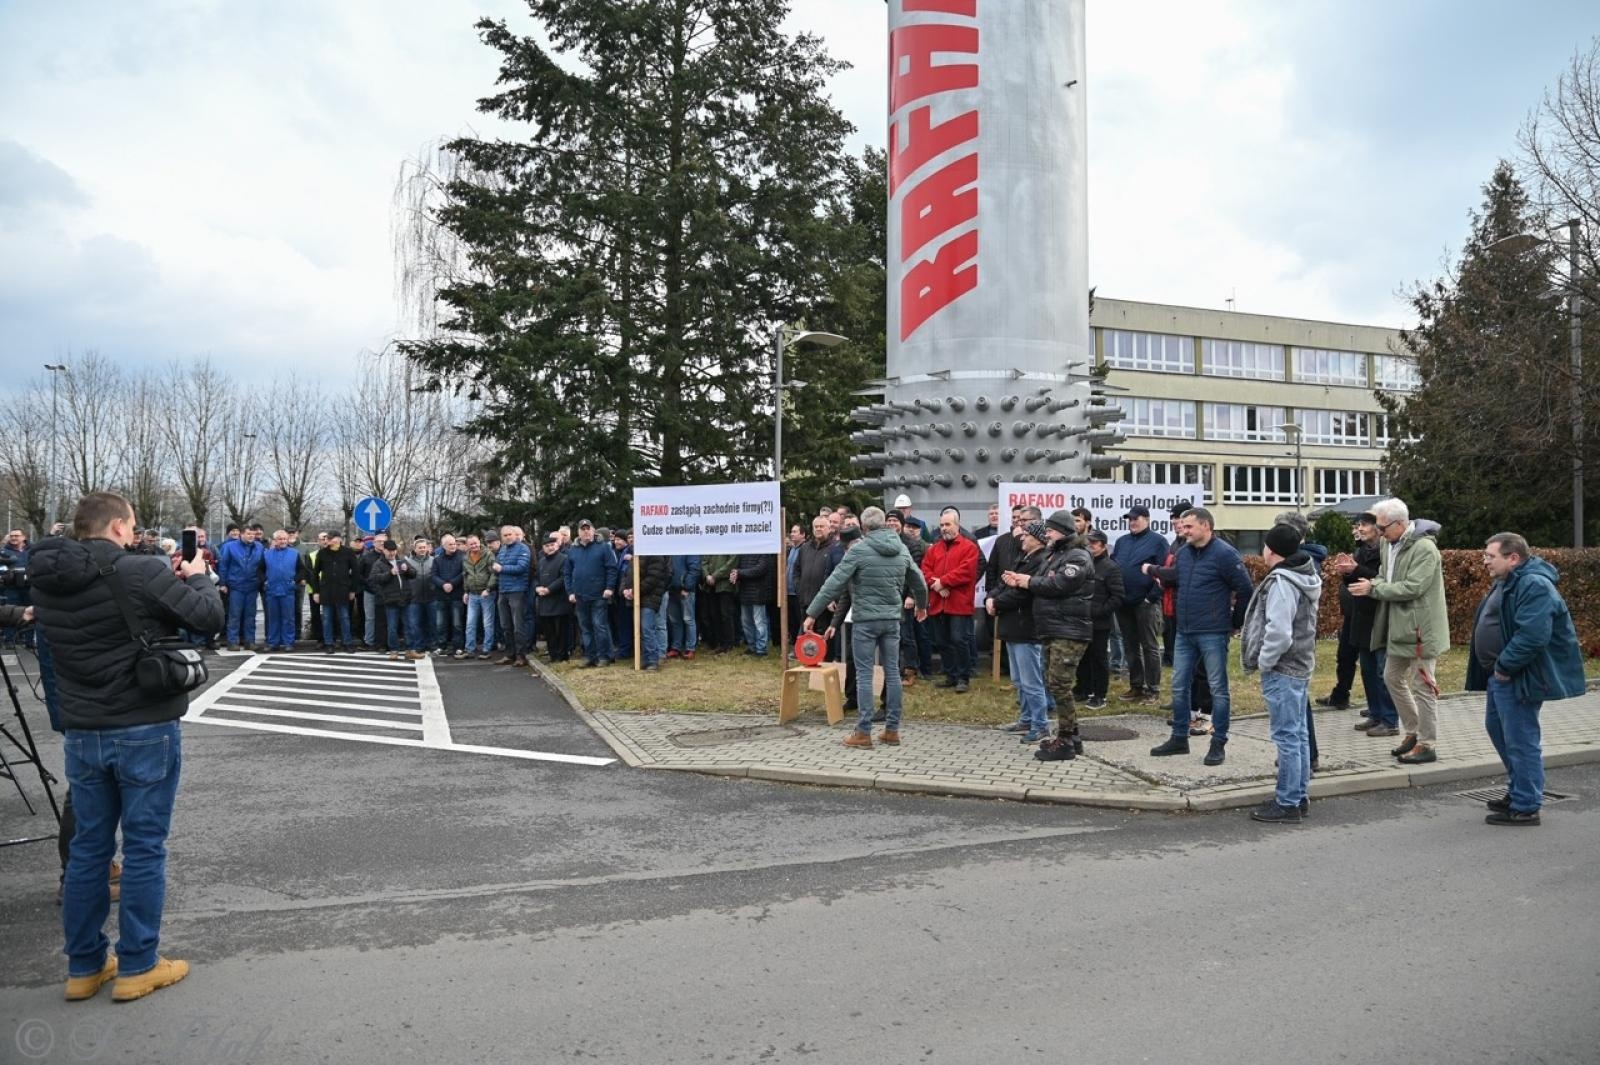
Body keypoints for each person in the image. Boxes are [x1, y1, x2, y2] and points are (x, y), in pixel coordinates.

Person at [29, 491, 223, 1002]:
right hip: (143, 725)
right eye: (131, 526)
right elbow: (206, 617)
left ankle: (84, 967)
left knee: (89, 849)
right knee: (143, 848)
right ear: (117, 527)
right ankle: (138, 964)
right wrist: (198, 573)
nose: (134, 535)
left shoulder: (45, 579)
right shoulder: (137, 571)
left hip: (83, 728)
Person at [1465, 533, 1588, 826]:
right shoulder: (1508, 581)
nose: (1484, 562)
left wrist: (1504, 666)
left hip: (1518, 676)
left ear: (1513, 558)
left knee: (1520, 739)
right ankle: (1519, 790)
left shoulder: (1534, 584)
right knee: (1499, 730)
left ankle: (1526, 805)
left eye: (1489, 556)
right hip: (1501, 676)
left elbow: (1533, 635)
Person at [804, 506, 929, 749]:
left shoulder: (859, 550)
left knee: (864, 674)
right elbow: (919, 581)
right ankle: (892, 730)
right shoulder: (901, 549)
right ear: (883, 524)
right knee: (893, 673)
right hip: (892, 620)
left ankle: (863, 732)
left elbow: (834, 583)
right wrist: (922, 606)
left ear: (863, 527)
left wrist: (812, 613)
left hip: (865, 622)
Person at [1143, 507, 1255, 766]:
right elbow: (1177, 581)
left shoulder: (1225, 554)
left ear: (1206, 526)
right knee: (1179, 687)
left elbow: (1245, 589)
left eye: (1189, 526)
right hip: (1185, 630)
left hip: (1213, 632)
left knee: (1218, 689)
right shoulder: (1183, 554)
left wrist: (1234, 623)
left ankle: (1218, 743)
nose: (1184, 530)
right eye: (1183, 526)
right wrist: (1153, 572)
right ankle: (1179, 738)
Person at [1349, 497, 1450, 765]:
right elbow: (1384, 575)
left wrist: (1374, 589)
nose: (1379, 533)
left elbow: (1413, 587)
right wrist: (1374, 582)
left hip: (1421, 629)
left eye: (1383, 528)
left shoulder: (1425, 549)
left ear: (1401, 523)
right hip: (1399, 625)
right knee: (1391, 676)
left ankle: (1428, 744)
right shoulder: (1387, 544)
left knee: (1423, 686)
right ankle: (1413, 732)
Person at [1241, 523, 1323, 823]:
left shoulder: (1282, 582)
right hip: (1300, 664)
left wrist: (1264, 661)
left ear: (1271, 550)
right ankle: (1297, 796)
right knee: (1298, 734)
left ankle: (1287, 802)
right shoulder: (1304, 574)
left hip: (1283, 667)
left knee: (1287, 736)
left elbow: (1279, 630)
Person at [1003, 511, 1094, 761]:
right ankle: (1071, 737)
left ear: (1063, 531)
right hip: (1054, 629)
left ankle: (1065, 740)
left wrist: (1028, 582)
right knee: (1055, 683)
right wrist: (1026, 580)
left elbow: (1060, 585)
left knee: (1059, 686)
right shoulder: (1056, 554)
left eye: (1051, 530)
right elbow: (1045, 580)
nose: (1048, 534)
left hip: (1070, 630)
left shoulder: (1077, 555)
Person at [1334, 513, 1400, 736]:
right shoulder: (1361, 551)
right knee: (1368, 670)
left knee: (1383, 672)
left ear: (1377, 528)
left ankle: (1389, 719)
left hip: (1379, 617)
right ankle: (1375, 713)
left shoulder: (1388, 551)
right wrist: (1346, 572)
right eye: (1357, 525)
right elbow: (1357, 580)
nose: (1358, 529)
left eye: (1363, 525)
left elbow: (1383, 581)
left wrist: (1356, 570)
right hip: (1360, 616)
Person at [988, 520, 1052, 743]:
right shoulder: (1023, 559)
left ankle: (1041, 724)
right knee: (1019, 680)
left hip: (1027, 628)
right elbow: (1006, 583)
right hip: (1013, 627)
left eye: (1026, 535)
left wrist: (996, 603)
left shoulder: (1041, 561)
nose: (1021, 538)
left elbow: (1023, 595)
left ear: (1038, 539)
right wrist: (992, 596)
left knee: (1032, 681)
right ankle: (1026, 719)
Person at [1111, 505, 1166, 704]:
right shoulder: (1122, 541)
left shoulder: (1158, 541)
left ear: (1147, 519)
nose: (1132, 522)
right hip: (1123, 602)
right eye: (1130, 519)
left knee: (1149, 646)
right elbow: (1114, 566)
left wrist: (1151, 597)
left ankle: (1153, 689)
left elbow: (1163, 571)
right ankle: (1136, 686)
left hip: (1145, 603)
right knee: (1130, 645)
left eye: (1136, 518)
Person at [921, 508, 980, 692]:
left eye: (948, 524)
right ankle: (950, 675)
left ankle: (963, 677)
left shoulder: (969, 547)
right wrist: (936, 584)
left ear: (957, 525)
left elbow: (966, 571)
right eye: (941, 525)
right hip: (938, 603)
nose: (944, 528)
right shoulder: (934, 548)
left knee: (959, 639)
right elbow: (924, 570)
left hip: (959, 603)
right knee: (942, 641)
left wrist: (943, 582)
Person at [1073, 529, 1124, 710]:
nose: (1090, 546)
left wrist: (1101, 611)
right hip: (1080, 620)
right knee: (1081, 657)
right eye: (1088, 543)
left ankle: (1099, 694)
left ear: (1103, 545)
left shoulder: (1111, 567)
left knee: (1099, 658)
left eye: (1094, 543)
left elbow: (1117, 596)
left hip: (1099, 622)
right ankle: (1082, 689)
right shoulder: (1082, 563)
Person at [565, 520, 618, 667]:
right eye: (583, 530)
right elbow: (567, 573)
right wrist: (570, 591)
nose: (586, 532)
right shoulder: (573, 550)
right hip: (580, 595)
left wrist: (609, 588)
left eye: (588, 529)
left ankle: (604, 656)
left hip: (599, 594)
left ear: (594, 531)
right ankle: (590, 656)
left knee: (599, 625)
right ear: (578, 532)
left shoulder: (603, 548)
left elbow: (611, 569)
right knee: (585, 627)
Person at [793, 516, 842, 659]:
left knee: (824, 635)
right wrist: (799, 587)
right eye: (816, 526)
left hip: (825, 602)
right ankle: (809, 660)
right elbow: (796, 570)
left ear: (829, 529)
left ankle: (826, 661)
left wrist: (832, 596)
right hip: (805, 599)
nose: (819, 529)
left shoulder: (835, 548)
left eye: (822, 526)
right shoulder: (805, 548)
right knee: (807, 633)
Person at [260, 529, 307, 653]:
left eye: (284, 539)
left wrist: (294, 581)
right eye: (280, 539)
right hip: (272, 590)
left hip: (288, 590)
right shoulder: (266, 554)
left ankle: (288, 642)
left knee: (288, 618)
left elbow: (302, 570)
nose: (282, 541)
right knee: (273, 618)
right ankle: (273, 642)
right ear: (275, 540)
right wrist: (264, 581)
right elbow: (260, 570)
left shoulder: (294, 553)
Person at [311, 531, 358, 653]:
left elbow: (355, 572)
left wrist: (352, 590)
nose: (328, 541)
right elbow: (315, 574)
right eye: (327, 538)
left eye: (331, 538)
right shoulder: (322, 553)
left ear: (339, 539)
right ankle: (329, 643)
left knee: (344, 617)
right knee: (327, 618)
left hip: (343, 590)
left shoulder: (348, 552)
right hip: (326, 591)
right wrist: (316, 592)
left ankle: (347, 642)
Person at [493, 525, 533, 666]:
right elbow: (495, 566)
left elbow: (521, 567)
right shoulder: (502, 550)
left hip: (517, 590)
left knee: (518, 626)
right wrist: (497, 569)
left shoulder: (523, 548)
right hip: (503, 590)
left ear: (515, 535)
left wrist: (502, 568)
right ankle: (510, 654)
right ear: (502, 538)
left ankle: (521, 655)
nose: (508, 537)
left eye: (510, 534)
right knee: (506, 625)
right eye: (505, 535)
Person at [460, 533, 499, 660]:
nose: (474, 545)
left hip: (486, 594)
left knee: (487, 623)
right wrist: (466, 591)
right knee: (470, 623)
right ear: (467, 545)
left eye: (476, 543)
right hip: (472, 594)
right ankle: (469, 649)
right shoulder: (465, 557)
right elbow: (465, 575)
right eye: (471, 544)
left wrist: (488, 589)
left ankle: (487, 649)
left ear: (479, 541)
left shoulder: (488, 554)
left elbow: (493, 573)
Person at [732, 551, 774, 657]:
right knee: (746, 623)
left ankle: (761, 649)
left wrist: (739, 572)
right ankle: (751, 646)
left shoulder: (764, 552)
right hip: (745, 592)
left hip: (758, 592)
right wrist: (735, 573)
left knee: (759, 622)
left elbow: (760, 570)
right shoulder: (744, 552)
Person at [431, 534, 465, 656]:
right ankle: (441, 646)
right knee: (440, 623)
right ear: (443, 546)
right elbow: (433, 575)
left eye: (454, 544)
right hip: (441, 596)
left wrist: (451, 584)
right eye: (450, 544)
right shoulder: (437, 559)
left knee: (457, 623)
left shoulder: (462, 557)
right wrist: (443, 584)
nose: (453, 546)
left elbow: (463, 573)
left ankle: (458, 646)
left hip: (456, 595)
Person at [665, 554, 701, 660]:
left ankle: (690, 648)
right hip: (671, 589)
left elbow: (694, 570)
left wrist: (687, 586)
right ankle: (676, 647)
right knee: (675, 621)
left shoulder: (689, 548)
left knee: (688, 619)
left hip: (685, 590)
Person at [701, 554, 739, 652]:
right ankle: (718, 642)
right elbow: (704, 562)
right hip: (711, 586)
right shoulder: (710, 544)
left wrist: (715, 576)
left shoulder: (730, 543)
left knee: (726, 615)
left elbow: (731, 563)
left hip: (725, 585)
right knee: (714, 615)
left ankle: (728, 644)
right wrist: (707, 575)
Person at [407, 539, 437, 658]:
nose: (422, 549)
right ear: (415, 549)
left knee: (433, 623)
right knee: (415, 624)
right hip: (414, 598)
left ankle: (432, 644)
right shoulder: (407, 561)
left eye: (424, 547)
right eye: (420, 547)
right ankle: (419, 645)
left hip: (431, 597)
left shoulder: (434, 560)